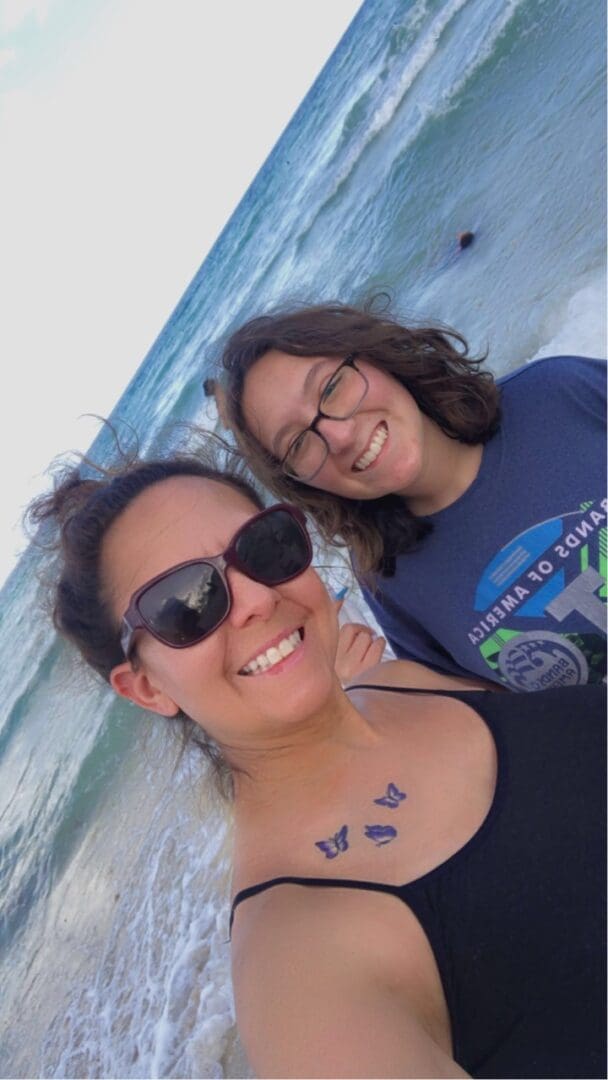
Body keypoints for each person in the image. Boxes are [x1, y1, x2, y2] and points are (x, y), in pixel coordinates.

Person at [30, 452, 605, 1078]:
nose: (254, 598)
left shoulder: (407, 679)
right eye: (184, 603)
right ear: (146, 690)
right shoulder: (298, 965)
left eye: (263, 547)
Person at [219, 300, 607, 691]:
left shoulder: (558, 394)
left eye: (332, 387)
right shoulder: (387, 577)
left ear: (375, 354)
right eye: (299, 444)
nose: (339, 436)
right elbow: (494, 713)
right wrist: (374, 691)